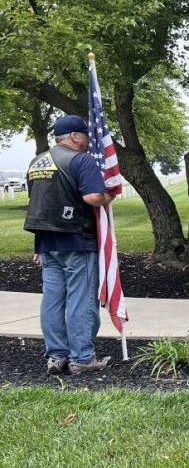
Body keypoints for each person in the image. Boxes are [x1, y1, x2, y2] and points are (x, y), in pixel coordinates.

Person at [24, 115, 115, 375]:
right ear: (75, 136)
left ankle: (56, 356)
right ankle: (82, 358)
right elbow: (93, 197)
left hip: (46, 243)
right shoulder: (80, 160)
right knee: (81, 299)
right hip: (77, 239)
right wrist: (109, 195)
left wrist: (37, 247)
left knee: (52, 299)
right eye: (85, 135)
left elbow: (39, 205)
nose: (88, 141)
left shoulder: (36, 162)